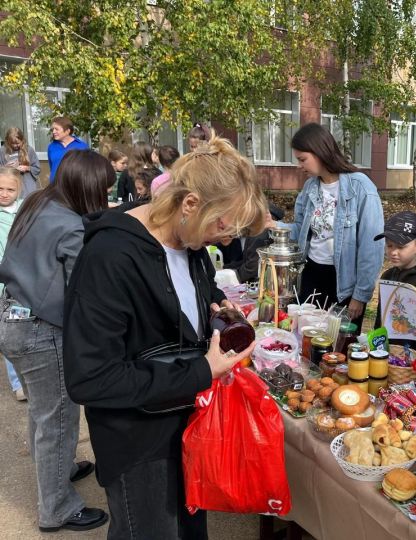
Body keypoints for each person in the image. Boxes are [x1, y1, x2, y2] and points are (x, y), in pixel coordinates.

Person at [63, 135, 266, 540]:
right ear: (190, 203)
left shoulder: (189, 242)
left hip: (189, 428)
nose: (226, 240)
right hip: (140, 446)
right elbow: (90, 378)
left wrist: (219, 306)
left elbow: (198, 292)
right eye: (222, 226)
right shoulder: (110, 257)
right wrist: (200, 371)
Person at [0, 150, 113, 532]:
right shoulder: (72, 226)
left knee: (42, 410)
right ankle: (57, 507)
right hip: (41, 329)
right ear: (89, 187)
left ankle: (57, 470)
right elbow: (83, 290)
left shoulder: (37, 203)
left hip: (12, 318)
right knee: (60, 417)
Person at [283, 123, 384, 326]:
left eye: (303, 159)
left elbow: (371, 247)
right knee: (307, 339)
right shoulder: (310, 187)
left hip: (343, 284)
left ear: (320, 152)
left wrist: (360, 295)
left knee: (337, 348)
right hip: (311, 276)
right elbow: (300, 230)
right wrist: (272, 225)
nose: (299, 166)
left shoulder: (361, 188)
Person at [374, 211, 416, 336]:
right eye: (389, 245)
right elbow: (380, 317)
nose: (393, 252)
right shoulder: (387, 276)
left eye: (400, 246)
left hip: (413, 352)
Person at [0, 167, 26, 401]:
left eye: (10, 189)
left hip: (19, 286)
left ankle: (24, 379)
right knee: (6, 336)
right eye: (0, 188)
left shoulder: (25, 212)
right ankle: (17, 383)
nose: (4, 193)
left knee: (18, 331)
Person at [217, 201, 285, 283]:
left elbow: (251, 269)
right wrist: (225, 269)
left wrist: (228, 275)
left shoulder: (259, 234)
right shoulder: (251, 230)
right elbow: (246, 260)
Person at [0, 127, 41, 197]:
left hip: (27, 187)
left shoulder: (29, 150)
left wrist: (27, 168)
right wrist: (6, 167)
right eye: (12, 143)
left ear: (22, 140)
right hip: (10, 185)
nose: (15, 146)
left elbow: (37, 168)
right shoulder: (3, 151)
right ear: (8, 141)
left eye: (17, 143)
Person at [47, 117, 89, 182]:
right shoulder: (51, 147)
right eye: (53, 129)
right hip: (55, 188)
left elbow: (87, 169)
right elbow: (52, 167)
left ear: (67, 131)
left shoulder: (82, 146)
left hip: (75, 187)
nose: (53, 132)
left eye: (56, 129)